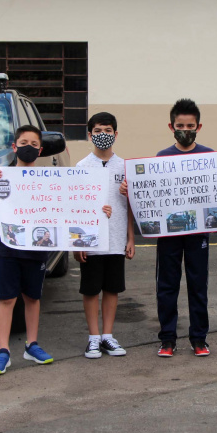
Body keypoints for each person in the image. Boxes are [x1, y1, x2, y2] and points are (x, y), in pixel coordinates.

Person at [0, 125, 111, 374]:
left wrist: (100, 211)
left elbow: (75, 204)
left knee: (33, 297)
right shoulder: (2, 177)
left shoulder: (51, 179)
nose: (27, 147)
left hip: (36, 251)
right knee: (6, 299)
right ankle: (3, 350)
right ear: (14, 146)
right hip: (8, 248)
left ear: (40, 150)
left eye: (33, 144)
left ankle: (32, 345)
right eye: (23, 142)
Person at [121, 98, 216, 358]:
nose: (185, 129)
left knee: (198, 285)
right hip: (168, 234)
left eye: (190, 125)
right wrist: (132, 190)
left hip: (198, 234)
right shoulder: (162, 157)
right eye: (180, 125)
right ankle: (167, 339)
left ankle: (199, 339)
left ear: (199, 126)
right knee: (167, 285)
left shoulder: (210, 157)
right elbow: (150, 192)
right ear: (171, 126)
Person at [74, 112, 135, 359]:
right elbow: (74, 206)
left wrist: (130, 238)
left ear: (116, 134)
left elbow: (130, 207)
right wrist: (76, 241)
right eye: (98, 131)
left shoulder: (125, 167)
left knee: (112, 289)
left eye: (108, 131)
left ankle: (108, 336)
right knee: (90, 290)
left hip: (117, 238)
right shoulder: (80, 167)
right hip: (90, 239)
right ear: (90, 135)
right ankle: (93, 337)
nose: (103, 135)